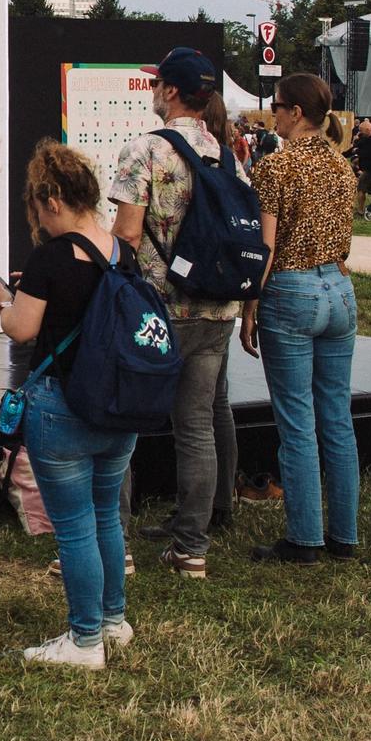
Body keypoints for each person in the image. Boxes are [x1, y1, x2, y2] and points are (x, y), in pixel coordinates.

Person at [0, 141, 135, 666]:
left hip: (63, 406)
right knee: (106, 517)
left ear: (51, 200)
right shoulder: (123, 252)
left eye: (36, 206)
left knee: (73, 527)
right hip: (118, 405)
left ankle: (84, 640)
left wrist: (7, 302)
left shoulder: (50, 257)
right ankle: (114, 621)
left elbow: (23, 330)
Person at [109, 47, 243, 580]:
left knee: (121, 423)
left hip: (156, 309)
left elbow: (127, 233)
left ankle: (115, 544)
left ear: (169, 91)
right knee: (196, 429)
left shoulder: (144, 150)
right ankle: (192, 549)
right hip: (215, 309)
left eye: (156, 83)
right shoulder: (223, 152)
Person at [246, 73, 360, 565]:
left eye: (276, 106)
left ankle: (305, 538)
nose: (273, 114)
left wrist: (251, 304)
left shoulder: (275, 168)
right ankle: (345, 534)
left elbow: (266, 247)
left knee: (296, 421)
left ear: (294, 112)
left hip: (292, 290)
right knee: (337, 417)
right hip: (338, 289)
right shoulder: (342, 167)